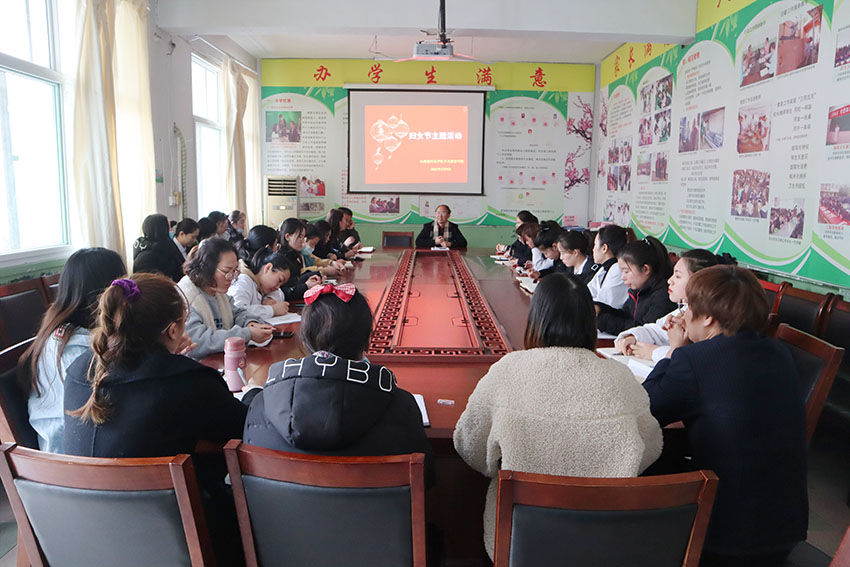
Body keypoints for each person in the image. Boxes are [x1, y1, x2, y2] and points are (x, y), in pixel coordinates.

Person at [454, 273, 662, 560]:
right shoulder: (621, 377)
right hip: (605, 543)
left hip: (520, 544)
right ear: (590, 322)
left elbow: (469, 445)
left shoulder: (508, 370)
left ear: (536, 318)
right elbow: (649, 449)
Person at [63, 273, 263, 566]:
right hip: (175, 540)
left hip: (86, 538)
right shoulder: (188, 382)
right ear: (173, 331)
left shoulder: (80, 370)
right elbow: (246, 428)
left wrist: (173, 361)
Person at [642, 265, 808, 566]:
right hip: (786, 526)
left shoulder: (695, 360)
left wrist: (674, 351)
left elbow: (647, 410)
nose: (682, 314)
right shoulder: (779, 352)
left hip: (727, 534)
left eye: (688, 306)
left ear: (708, 317)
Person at [243, 283, 432, 467]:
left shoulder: (262, 404)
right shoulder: (400, 406)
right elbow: (424, 478)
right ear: (367, 341)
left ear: (305, 341)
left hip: (280, 501)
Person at [17, 248, 126, 453]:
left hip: (77, 445)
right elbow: (108, 408)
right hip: (71, 459)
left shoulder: (66, 331)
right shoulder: (75, 350)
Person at [614, 249, 732, 362]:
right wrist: (633, 336)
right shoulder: (684, 308)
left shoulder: (715, 318)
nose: (670, 281)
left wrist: (654, 352)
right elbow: (657, 330)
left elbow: (697, 357)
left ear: (699, 281)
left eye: (678, 276)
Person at [177, 238, 274, 359]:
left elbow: (238, 313)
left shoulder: (217, 292)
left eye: (234, 271)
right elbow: (198, 342)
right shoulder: (186, 297)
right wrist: (247, 334)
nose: (232, 278)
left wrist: (251, 324)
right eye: (226, 271)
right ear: (206, 267)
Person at [596, 236, 675, 335]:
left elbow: (643, 331)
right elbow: (626, 316)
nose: (623, 277)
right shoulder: (638, 290)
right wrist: (600, 308)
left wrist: (601, 320)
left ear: (645, 269)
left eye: (626, 271)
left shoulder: (663, 296)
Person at [227, 248, 292, 321]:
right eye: (279, 280)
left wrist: (270, 298)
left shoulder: (261, 285)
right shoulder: (244, 282)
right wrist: (272, 310)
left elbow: (279, 293)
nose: (278, 287)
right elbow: (237, 311)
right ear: (268, 268)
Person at [277, 218, 323, 300]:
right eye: (300, 237)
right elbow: (282, 291)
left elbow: (294, 280)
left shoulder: (293, 256)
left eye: (303, 237)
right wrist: (306, 286)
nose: (303, 241)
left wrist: (312, 276)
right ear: (288, 237)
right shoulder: (281, 259)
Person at [587, 224, 629, 309]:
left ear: (604, 248)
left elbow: (604, 303)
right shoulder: (604, 268)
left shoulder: (618, 269)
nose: (593, 249)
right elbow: (587, 293)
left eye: (595, 245)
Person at [132, 213, 184, 282]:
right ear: (161, 230)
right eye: (168, 228)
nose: (171, 230)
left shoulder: (167, 246)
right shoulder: (145, 257)